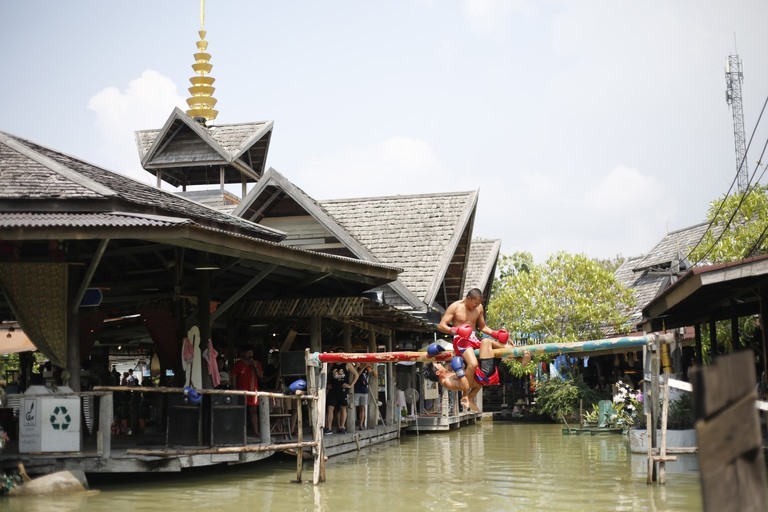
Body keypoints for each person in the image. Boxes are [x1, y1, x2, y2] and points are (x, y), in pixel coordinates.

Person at [425, 338, 531, 412]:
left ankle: (518, 357)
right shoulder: (446, 382)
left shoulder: (447, 372)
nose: (440, 363)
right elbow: (465, 386)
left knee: (497, 344)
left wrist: (437, 351)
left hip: (482, 372)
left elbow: (449, 358)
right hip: (484, 373)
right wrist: (460, 373)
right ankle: (517, 356)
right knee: (486, 342)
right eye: (438, 364)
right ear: (438, 372)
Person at [437, 288, 510, 396]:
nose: (476, 306)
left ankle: (521, 357)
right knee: (473, 364)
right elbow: (441, 326)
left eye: (479, 304)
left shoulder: (479, 307)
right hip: (461, 339)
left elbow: (483, 327)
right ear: (468, 298)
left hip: (474, 337)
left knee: (499, 347)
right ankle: (466, 392)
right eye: (475, 303)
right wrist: (456, 330)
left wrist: (495, 334)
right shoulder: (455, 307)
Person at [232, 348, 264, 437]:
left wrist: (255, 367)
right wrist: (234, 390)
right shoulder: (238, 364)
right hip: (241, 391)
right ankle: (239, 431)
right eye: (248, 352)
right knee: (240, 411)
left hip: (253, 390)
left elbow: (260, 376)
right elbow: (234, 377)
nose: (250, 354)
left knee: (254, 411)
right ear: (243, 353)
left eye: (251, 352)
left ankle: (256, 431)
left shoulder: (256, 363)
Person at [325, 360, 358, 435]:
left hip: (342, 389)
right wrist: (327, 384)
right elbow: (326, 374)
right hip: (333, 389)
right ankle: (329, 428)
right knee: (330, 407)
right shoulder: (332, 364)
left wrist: (351, 385)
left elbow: (356, 374)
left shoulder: (347, 364)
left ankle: (342, 427)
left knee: (343, 407)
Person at [353, 362, 378, 430]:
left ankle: (361, 424)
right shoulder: (356, 367)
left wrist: (371, 367)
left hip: (364, 390)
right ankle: (351, 423)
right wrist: (363, 366)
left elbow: (376, 375)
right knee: (353, 407)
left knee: (362, 408)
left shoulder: (367, 368)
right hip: (356, 390)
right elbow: (357, 374)